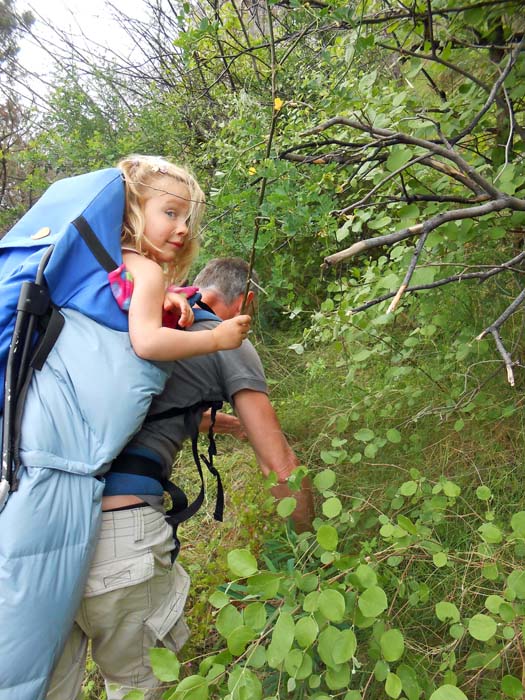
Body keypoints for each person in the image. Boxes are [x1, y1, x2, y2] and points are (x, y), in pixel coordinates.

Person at [47, 257, 314, 700]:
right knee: (137, 687)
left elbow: (165, 407)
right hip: (119, 532)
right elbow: (280, 465)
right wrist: (309, 548)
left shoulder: (148, 323)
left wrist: (234, 426)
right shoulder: (224, 340)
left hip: (39, 523)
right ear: (245, 302)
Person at [113, 156, 251, 360]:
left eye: (187, 220)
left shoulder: (116, 258)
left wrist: (164, 295)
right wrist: (215, 339)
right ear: (133, 213)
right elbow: (147, 343)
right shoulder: (149, 272)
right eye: (170, 213)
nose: (184, 229)